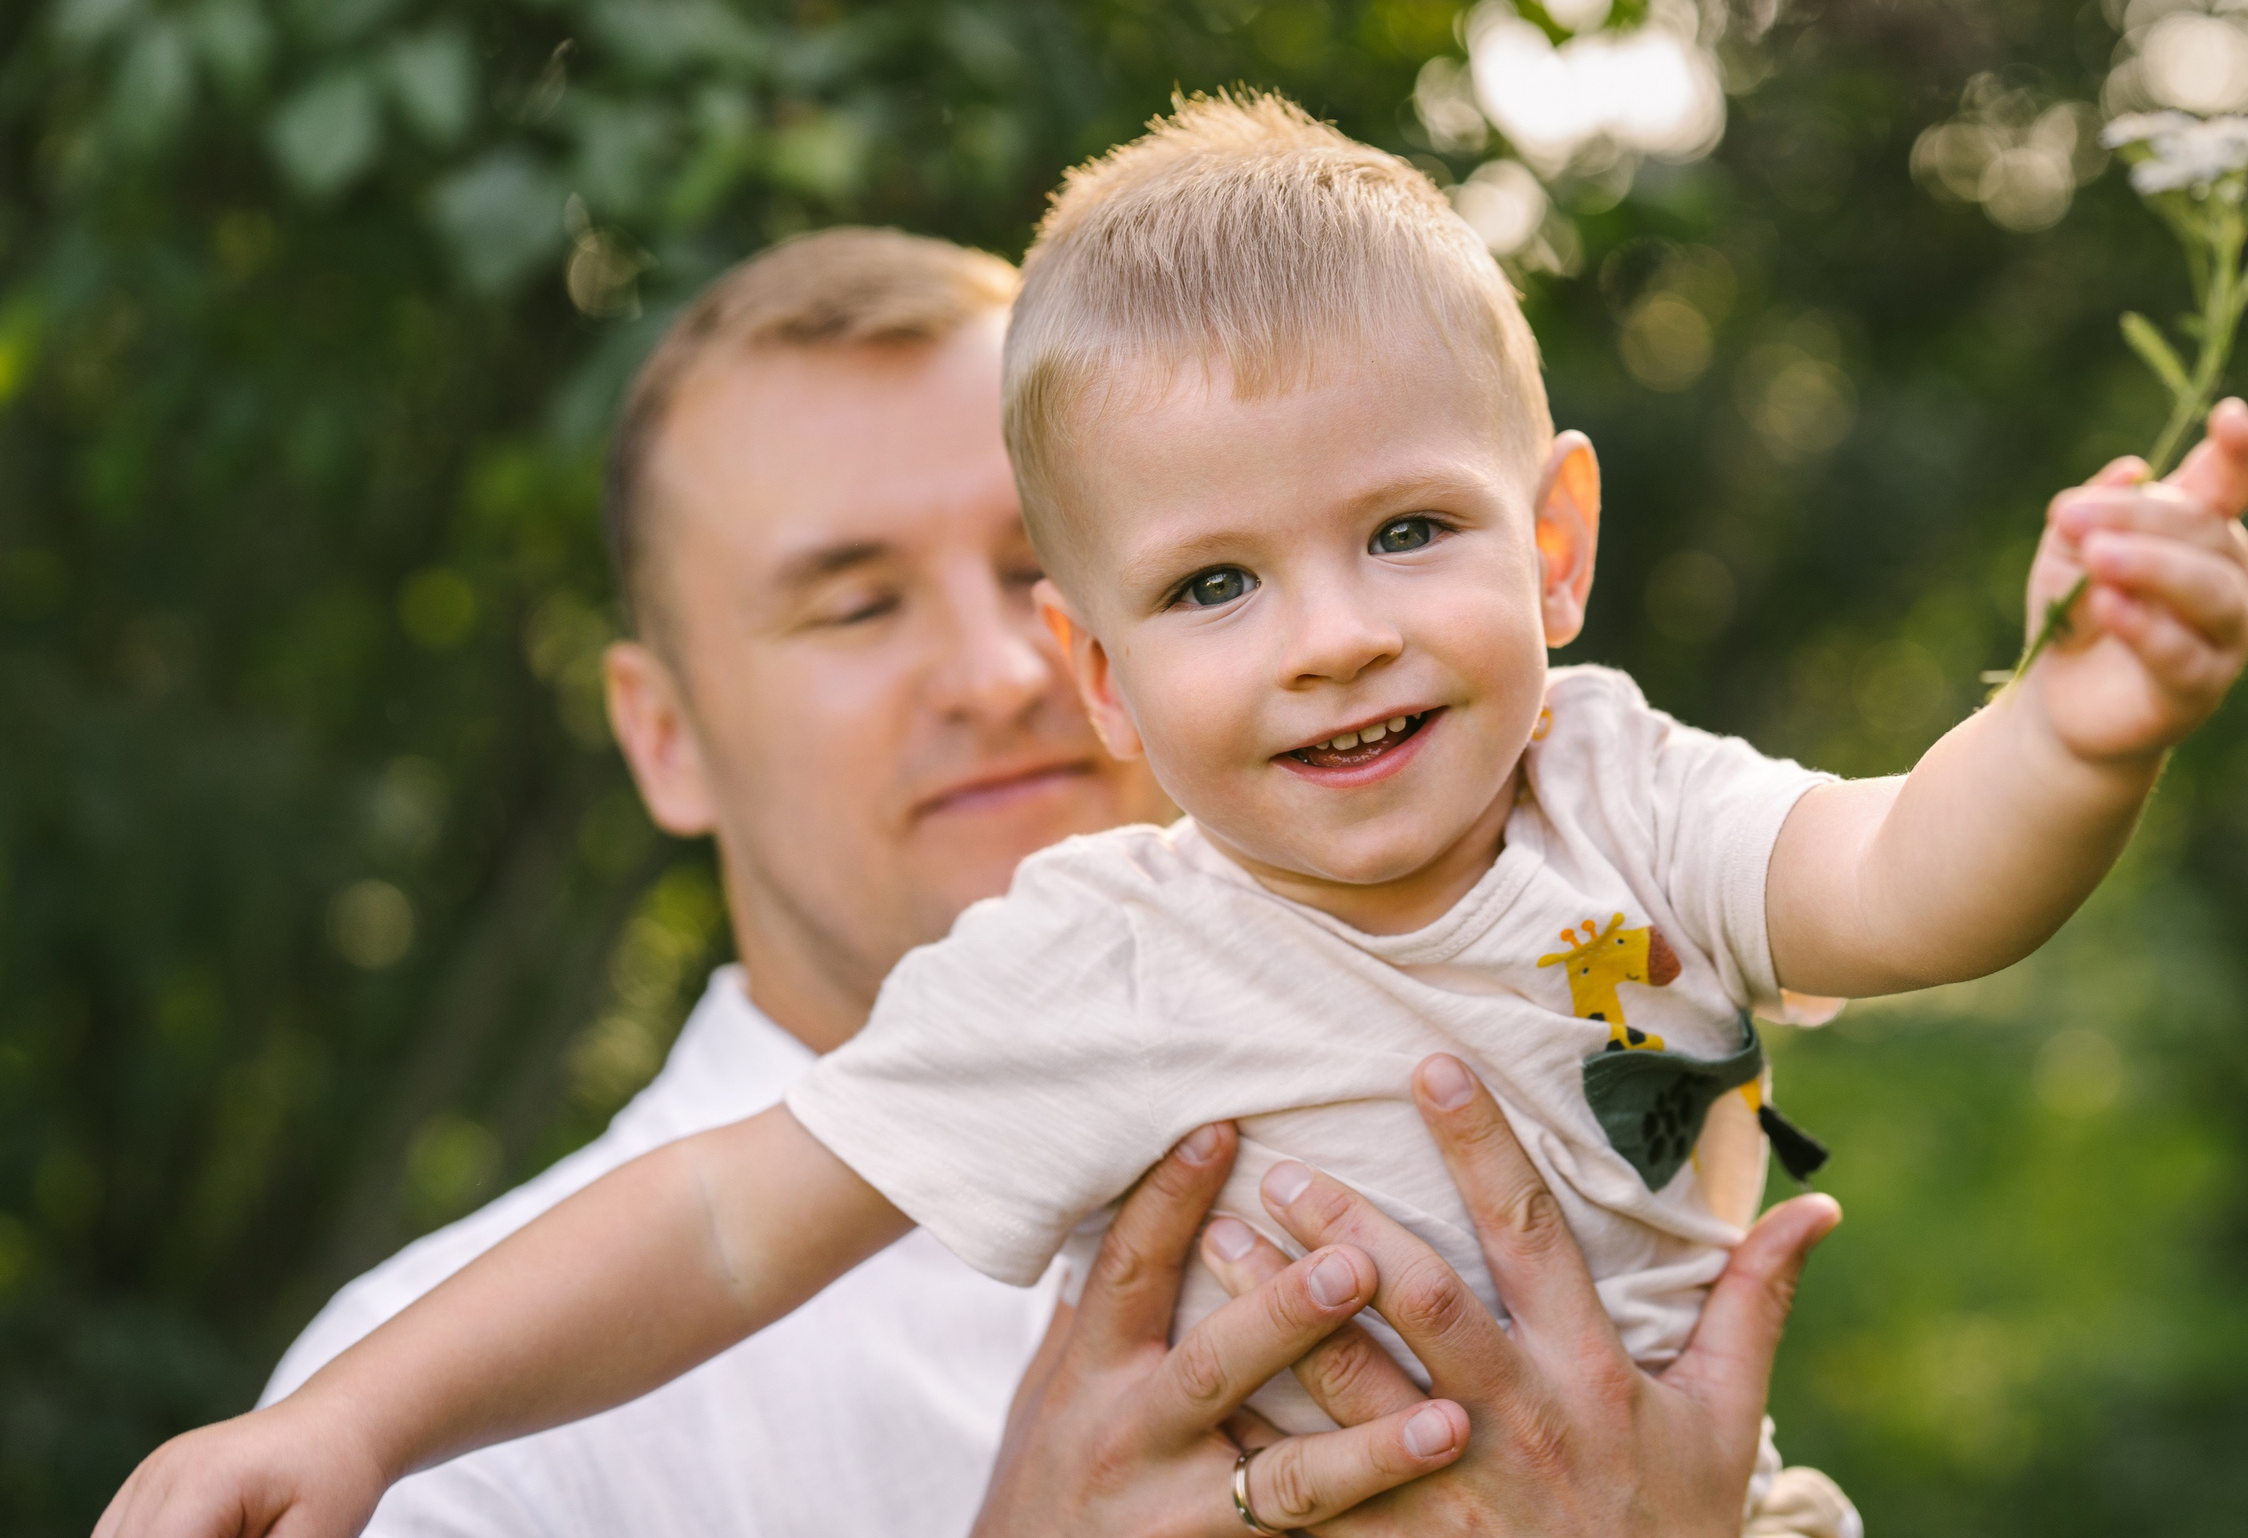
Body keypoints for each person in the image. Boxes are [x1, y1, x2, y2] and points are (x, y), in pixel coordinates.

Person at [106, 89, 2248, 1536]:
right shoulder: (1095, 965)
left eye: (1404, 530)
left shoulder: (1620, 795)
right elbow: (723, 1222)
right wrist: (359, 1421)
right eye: (1215, 584)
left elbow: (1903, 875)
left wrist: (2077, 729)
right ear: (1108, 664)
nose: (1331, 636)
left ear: (1553, 544)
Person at [241, 224, 1849, 1538]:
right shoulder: (449, 1445)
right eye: (854, 606)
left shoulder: (1540, 975)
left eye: (1032, 568)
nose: (999, 669)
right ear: (662, 738)